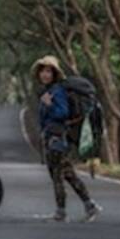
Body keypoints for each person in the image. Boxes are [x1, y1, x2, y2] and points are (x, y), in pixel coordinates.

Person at [33, 55, 101, 222]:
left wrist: (49, 105)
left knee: (57, 175)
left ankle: (61, 212)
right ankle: (90, 206)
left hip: (57, 138)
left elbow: (62, 113)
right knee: (68, 174)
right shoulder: (48, 91)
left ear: (54, 73)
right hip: (51, 136)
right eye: (42, 71)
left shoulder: (57, 91)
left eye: (48, 71)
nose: (44, 74)